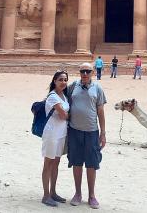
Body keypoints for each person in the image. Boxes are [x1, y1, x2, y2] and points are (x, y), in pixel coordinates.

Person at [67, 62, 107, 209]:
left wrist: (103, 133)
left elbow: (101, 112)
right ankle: (78, 193)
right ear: (79, 72)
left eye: (88, 71)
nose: (85, 74)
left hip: (91, 131)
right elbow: (63, 100)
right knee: (76, 163)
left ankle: (92, 195)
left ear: (93, 73)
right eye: (82, 71)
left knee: (92, 164)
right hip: (74, 130)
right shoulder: (72, 86)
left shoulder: (98, 88)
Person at [41, 71, 70, 207]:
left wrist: (66, 114)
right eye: (60, 80)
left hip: (61, 133)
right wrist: (71, 114)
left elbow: (64, 114)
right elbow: (64, 115)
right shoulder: (53, 96)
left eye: (65, 80)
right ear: (54, 81)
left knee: (56, 163)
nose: (63, 82)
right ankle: (46, 195)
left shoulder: (63, 96)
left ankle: (53, 192)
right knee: (48, 163)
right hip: (51, 133)